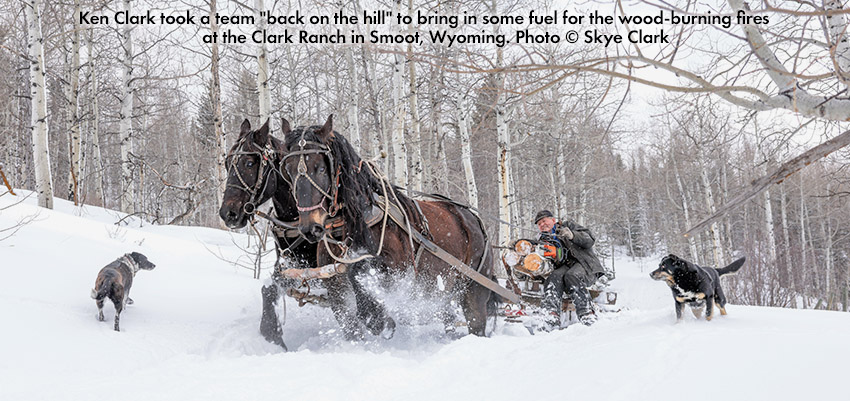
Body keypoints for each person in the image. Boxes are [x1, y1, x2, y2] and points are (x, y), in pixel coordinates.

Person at [534, 210, 605, 329]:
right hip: (566, 266)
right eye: (539, 224)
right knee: (553, 277)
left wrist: (572, 235)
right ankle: (551, 315)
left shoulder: (568, 226)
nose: (542, 224)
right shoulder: (542, 240)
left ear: (553, 220)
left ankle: (586, 313)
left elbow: (590, 239)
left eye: (544, 221)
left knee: (572, 275)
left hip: (585, 263)